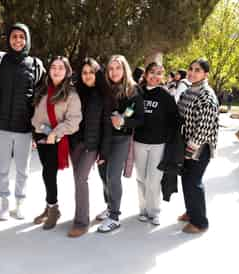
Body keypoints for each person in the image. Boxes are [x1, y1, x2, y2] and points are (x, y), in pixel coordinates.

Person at [0, 23, 45, 220]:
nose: (18, 40)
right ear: (8, 39)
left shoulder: (35, 64)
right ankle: (4, 202)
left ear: (27, 39)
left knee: (22, 170)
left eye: (21, 37)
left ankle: (20, 202)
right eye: (14, 36)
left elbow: (44, 94)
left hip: (24, 128)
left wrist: (39, 129)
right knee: (1, 169)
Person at [31, 56, 82, 230]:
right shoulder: (43, 89)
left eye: (61, 67)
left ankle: (53, 209)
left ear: (67, 71)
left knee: (48, 173)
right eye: (53, 66)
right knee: (47, 173)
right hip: (41, 136)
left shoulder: (71, 94)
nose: (56, 70)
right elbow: (36, 113)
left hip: (57, 139)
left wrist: (55, 133)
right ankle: (49, 206)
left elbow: (74, 121)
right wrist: (35, 132)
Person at [96, 55, 144, 233]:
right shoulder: (104, 89)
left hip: (121, 139)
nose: (114, 72)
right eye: (111, 68)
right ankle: (110, 206)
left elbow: (139, 119)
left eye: (118, 68)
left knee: (112, 176)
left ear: (125, 69)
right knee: (102, 174)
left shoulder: (133, 90)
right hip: (104, 139)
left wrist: (123, 122)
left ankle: (114, 216)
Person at [68, 58, 111, 237]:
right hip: (74, 143)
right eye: (84, 72)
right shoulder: (75, 91)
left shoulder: (103, 95)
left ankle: (82, 222)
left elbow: (107, 125)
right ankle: (79, 214)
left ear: (97, 74)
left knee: (80, 178)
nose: (87, 76)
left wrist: (104, 150)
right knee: (77, 180)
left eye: (91, 72)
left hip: (91, 145)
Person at [177, 58, 219, 234]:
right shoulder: (188, 90)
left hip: (199, 148)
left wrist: (190, 149)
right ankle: (191, 211)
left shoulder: (207, 96)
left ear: (205, 74)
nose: (192, 73)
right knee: (186, 180)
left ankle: (200, 222)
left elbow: (204, 127)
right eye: (191, 69)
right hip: (185, 144)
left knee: (194, 182)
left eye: (198, 70)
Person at [134, 62, 178, 226]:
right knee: (141, 178)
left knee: (154, 179)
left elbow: (174, 119)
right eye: (152, 72)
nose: (155, 76)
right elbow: (130, 110)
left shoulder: (166, 95)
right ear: (145, 74)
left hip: (158, 144)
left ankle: (155, 211)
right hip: (139, 142)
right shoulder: (138, 92)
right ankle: (143, 210)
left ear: (163, 77)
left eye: (159, 73)